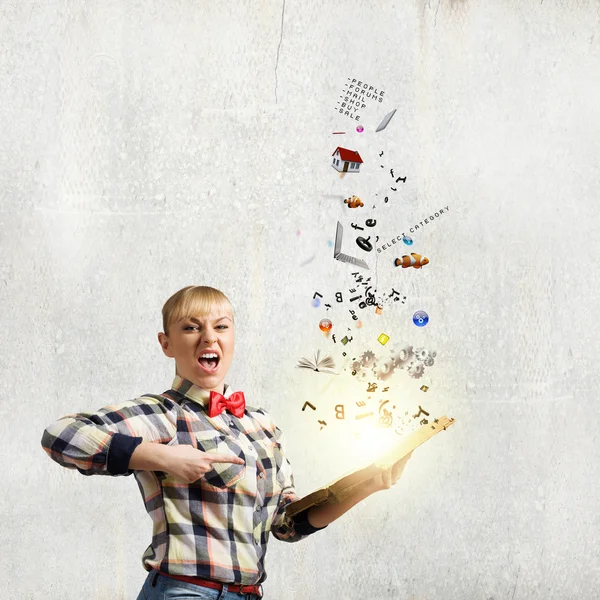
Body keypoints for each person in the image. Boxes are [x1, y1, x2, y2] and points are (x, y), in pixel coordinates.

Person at [41, 285, 411, 599]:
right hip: (184, 591)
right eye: (191, 327)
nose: (209, 337)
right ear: (166, 344)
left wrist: (367, 485)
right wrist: (162, 457)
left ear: (232, 337)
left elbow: (286, 525)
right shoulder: (162, 413)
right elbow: (60, 436)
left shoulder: (261, 425)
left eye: (221, 326)